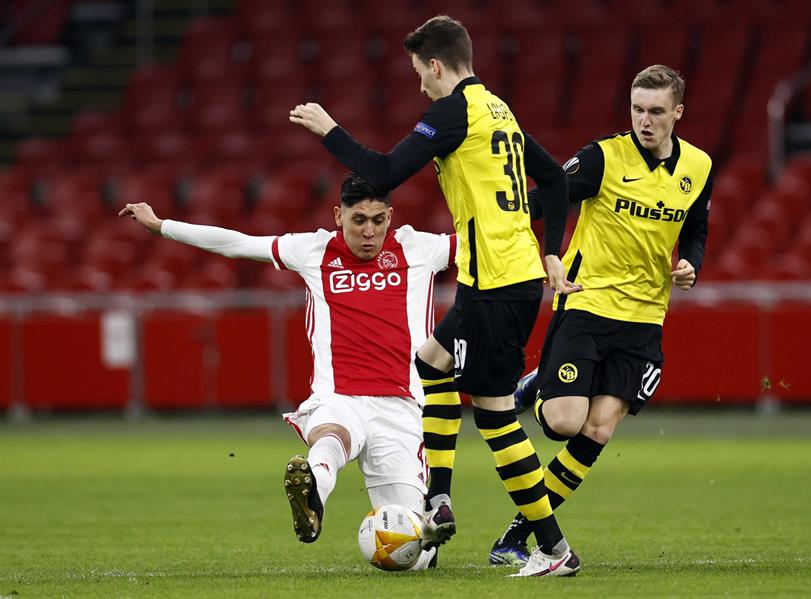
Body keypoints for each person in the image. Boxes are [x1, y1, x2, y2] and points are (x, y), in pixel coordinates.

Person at [289, 15, 581, 577]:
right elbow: (554, 179)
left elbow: (384, 171)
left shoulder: (454, 112)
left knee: (496, 418)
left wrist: (329, 129)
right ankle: (438, 499)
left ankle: (553, 549)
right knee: (430, 361)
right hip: (496, 279)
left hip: (498, 284)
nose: (419, 84)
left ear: (437, 65)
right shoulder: (499, 109)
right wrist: (548, 249)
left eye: (420, 72)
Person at [119, 173, 457, 571]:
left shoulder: (420, 248)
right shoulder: (314, 249)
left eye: (378, 220)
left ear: (391, 216)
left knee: (415, 555)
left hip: (400, 407)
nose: (369, 231)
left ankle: (425, 531)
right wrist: (163, 226)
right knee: (331, 435)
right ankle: (311, 495)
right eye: (358, 220)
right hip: (339, 396)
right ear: (338, 215)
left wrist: (547, 192)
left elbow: (492, 239)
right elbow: (238, 243)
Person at [489, 64, 714, 566]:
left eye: (656, 111)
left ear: (678, 112)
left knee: (599, 430)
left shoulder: (698, 166)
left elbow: (697, 226)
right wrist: (544, 253)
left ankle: (516, 536)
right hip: (588, 302)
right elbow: (546, 197)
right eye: (637, 109)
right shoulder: (601, 158)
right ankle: (539, 386)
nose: (645, 120)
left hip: (645, 317)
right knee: (565, 423)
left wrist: (690, 263)